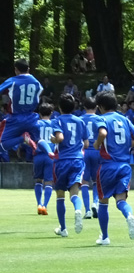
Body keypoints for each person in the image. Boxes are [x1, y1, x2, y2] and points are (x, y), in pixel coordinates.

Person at [94, 91, 134, 245]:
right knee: (121, 200)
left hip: (108, 166)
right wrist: (126, 145)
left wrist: (97, 144)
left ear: (100, 106)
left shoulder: (102, 119)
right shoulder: (125, 119)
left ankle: (105, 237)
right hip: (124, 166)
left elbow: (102, 132)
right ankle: (129, 216)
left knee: (103, 201)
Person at [50, 94, 88, 237]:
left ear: (59, 107)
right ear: (74, 107)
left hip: (62, 160)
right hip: (77, 160)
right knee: (74, 193)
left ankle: (63, 228)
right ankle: (78, 210)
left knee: (60, 195)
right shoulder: (80, 121)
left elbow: (59, 138)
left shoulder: (57, 121)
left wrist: (53, 139)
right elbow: (87, 143)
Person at [0, 58, 43, 157]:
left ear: (16, 69)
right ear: (28, 69)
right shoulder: (36, 82)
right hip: (32, 118)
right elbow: (40, 91)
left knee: (1, 145)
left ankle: (22, 138)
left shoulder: (13, 80)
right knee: (39, 141)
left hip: (16, 118)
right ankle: (49, 155)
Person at [80, 98, 105, 218]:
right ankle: (95, 203)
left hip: (84, 151)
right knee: (96, 181)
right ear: (96, 107)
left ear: (84, 107)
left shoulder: (80, 119)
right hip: (97, 151)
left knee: (84, 182)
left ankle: (87, 210)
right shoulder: (100, 119)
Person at [33, 104, 56, 215]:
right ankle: (45, 206)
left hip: (38, 155)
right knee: (48, 182)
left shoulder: (36, 124)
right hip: (50, 156)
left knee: (38, 180)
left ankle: (39, 203)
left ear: (39, 113)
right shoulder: (54, 124)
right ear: (51, 113)